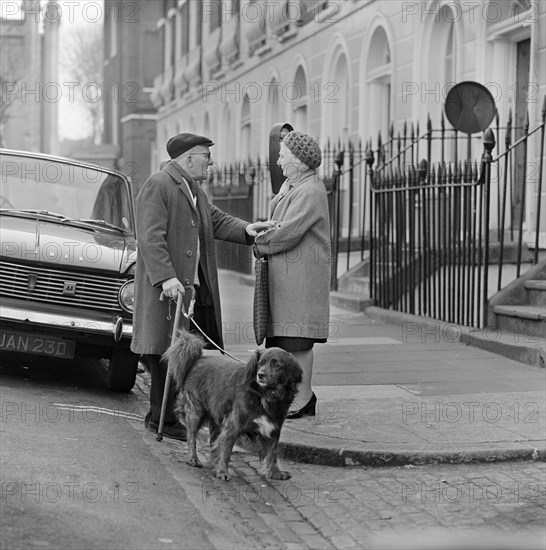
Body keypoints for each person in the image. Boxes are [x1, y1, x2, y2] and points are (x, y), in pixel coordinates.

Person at [131, 133, 275, 439]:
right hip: (167, 288)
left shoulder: (194, 189)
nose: (211, 163)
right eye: (206, 157)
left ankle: (166, 415)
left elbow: (216, 220)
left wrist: (247, 229)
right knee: (163, 353)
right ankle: (163, 418)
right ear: (189, 158)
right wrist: (165, 277)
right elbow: (149, 236)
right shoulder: (159, 184)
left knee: (182, 354)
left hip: (189, 287)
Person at [254, 131, 331, 419]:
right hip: (288, 279)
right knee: (285, 340)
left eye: (283, 156)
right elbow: (277, 222)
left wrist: (258, 243)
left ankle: (304, 398)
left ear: (298, 161)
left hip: (302, 279)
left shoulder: (310, 190)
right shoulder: (293, 184)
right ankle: (287, 397)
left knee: (299, 340)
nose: (278, 160)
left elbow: (288, 231)